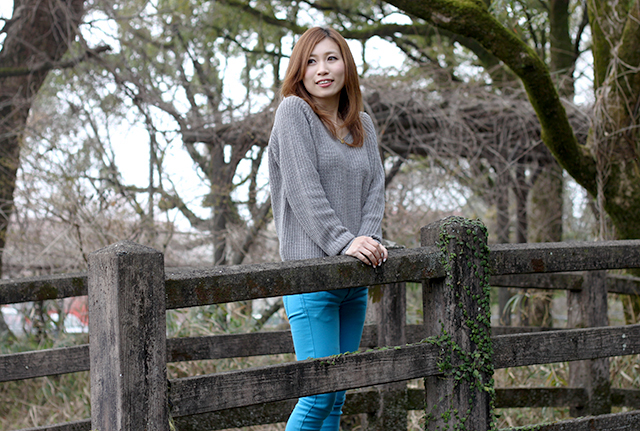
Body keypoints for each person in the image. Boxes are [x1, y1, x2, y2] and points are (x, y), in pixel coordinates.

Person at [268, 27, 388, 431]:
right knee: (317, 394)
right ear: (300, 71)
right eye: (311, 61)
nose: (322, 69)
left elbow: (375, 190)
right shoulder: (293, 112)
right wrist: (345, 242)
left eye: (331, 58)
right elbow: (304, 190)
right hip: (311, 276)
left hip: (355, 276)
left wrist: (366, 242)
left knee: (337, 398)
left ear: (346, 66)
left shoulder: (363, 126)